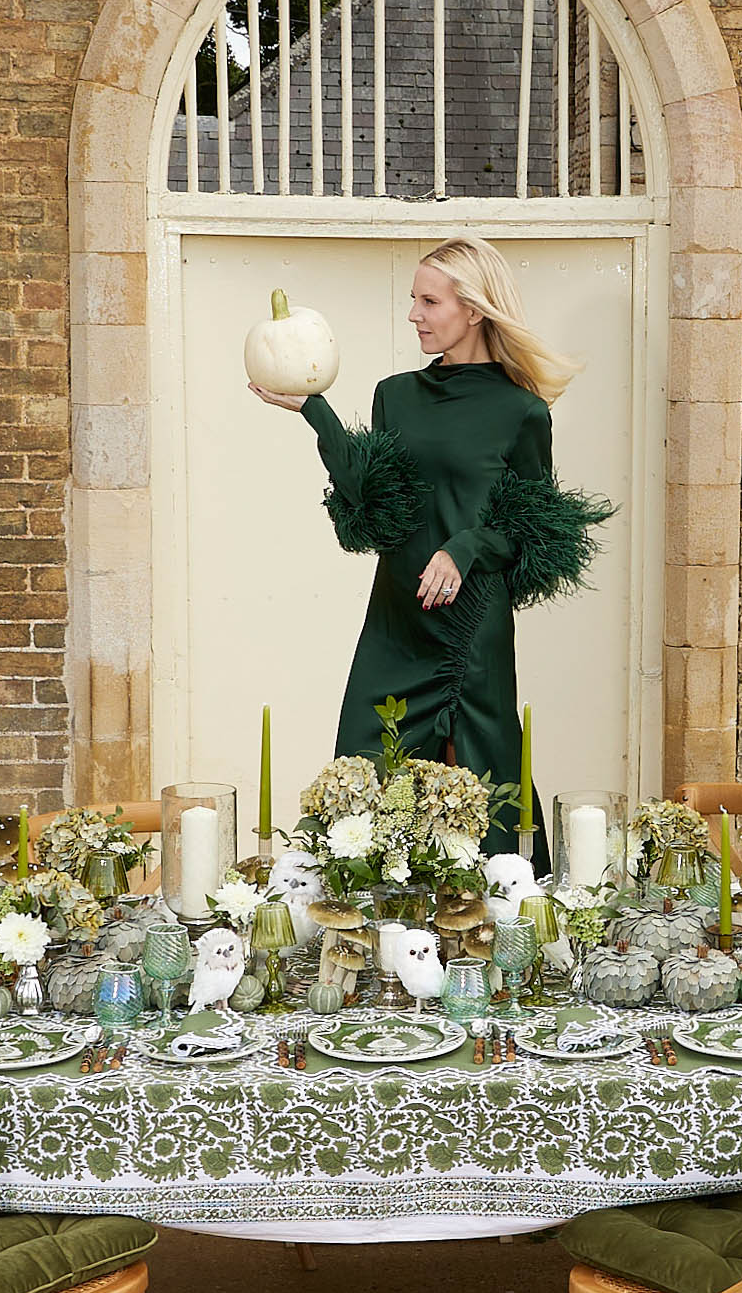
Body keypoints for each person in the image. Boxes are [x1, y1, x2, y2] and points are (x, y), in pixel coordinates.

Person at [250, 237, 615, 864]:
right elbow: (370, 503)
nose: (414, 314)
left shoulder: (521, 411)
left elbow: (535, 524)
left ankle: (507, 921)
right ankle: (364, 923)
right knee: (365, 768)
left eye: (429, 301)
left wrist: (465, 546)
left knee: (482, 777)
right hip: (397, 618)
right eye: (412, 301)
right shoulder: (396, 395)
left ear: (473, 309)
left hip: (470, 624)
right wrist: (316, 412)